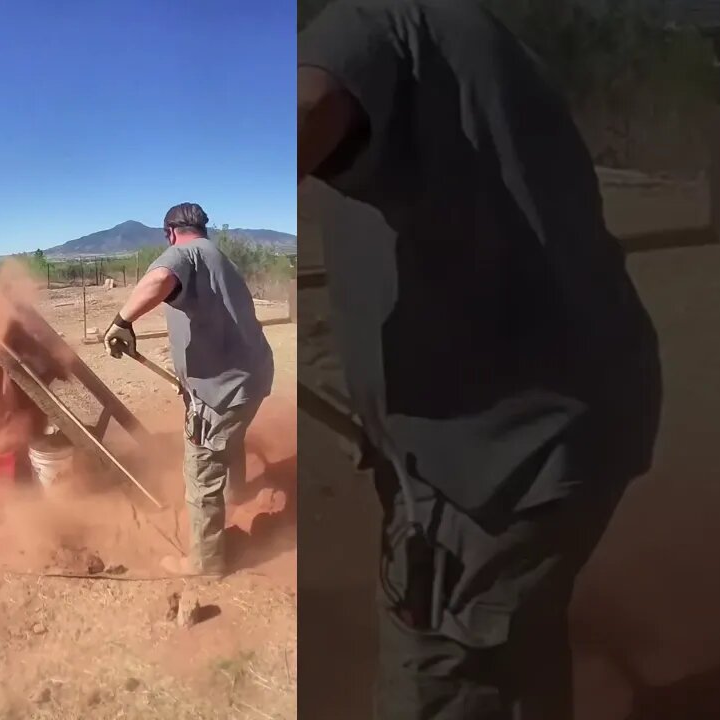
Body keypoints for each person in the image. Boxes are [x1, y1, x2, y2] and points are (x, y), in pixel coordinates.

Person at [298, 1, 662, 718]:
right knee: (511, 661)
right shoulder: (484, 38)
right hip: (572, 417)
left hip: (496, 461)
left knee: (442, 671)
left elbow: (307, 104)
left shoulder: (370, 19)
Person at [103, 202, 275, 576]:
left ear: (170, 232)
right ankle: (236, 495)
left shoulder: (184, 253)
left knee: (201, 471)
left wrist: (122, 321)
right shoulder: (217, 256)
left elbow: (158, 279)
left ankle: (205, 563)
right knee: (231, 439)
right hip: (253, 378)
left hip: (223, 390)